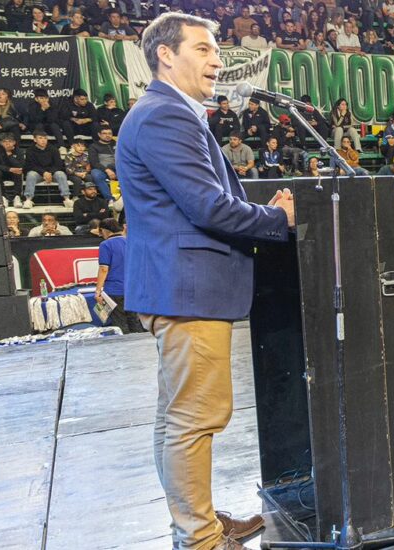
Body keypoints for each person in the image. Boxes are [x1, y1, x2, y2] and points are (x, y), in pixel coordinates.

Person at [120, 13, 295, 550]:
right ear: (165, 56)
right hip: (187, 289)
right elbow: (207, 206)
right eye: (203, 48)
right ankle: (199, 538)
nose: (217, 60)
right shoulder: (164, 116)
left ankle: (199, 521)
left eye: (216, 50)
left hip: (183, 287)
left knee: (179, 419)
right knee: (194, 420)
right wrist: (277, 220)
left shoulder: (169, 113)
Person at [95, 218, 144, 333]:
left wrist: (98, 291)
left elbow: (103, 269)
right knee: (134, 320)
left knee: (120, 322)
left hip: (115, 290)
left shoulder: (105, 244)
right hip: (132, 289)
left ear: (104, 230)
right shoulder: (131, 242)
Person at [22, 131, 70, 208]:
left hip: (52, 173)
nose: (43, 140)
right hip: (38, 174)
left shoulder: (53, 149)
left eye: (45, 138)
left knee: (61, 174)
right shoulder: (30, 150)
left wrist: (50, 173)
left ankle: (67, 198)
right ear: (35, 139)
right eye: (40, 138)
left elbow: (58, 164)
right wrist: (44, 173)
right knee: (31, 174)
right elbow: (31, 165)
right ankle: (28, 199)